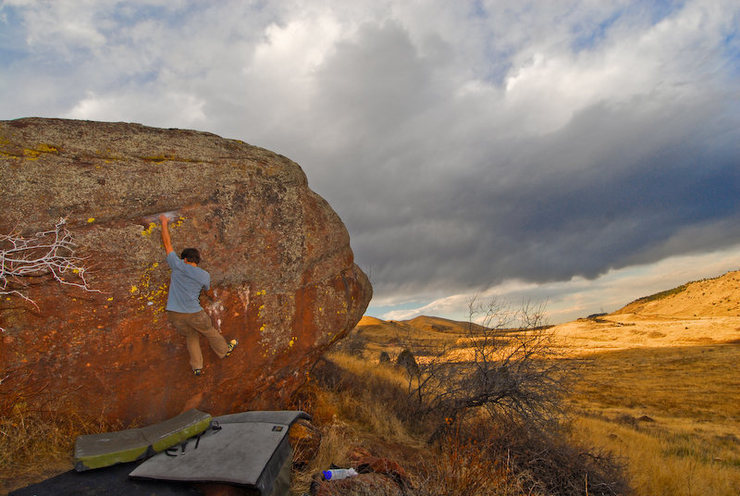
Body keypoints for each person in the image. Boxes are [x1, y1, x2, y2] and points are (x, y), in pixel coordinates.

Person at [159, 214, 237, 376]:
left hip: (174, 313)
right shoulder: (204, 275)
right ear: (195, 260)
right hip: (193, 312)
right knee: (209, 331)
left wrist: (164, 222)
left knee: (191, 335)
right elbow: (206, 288)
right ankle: (224, 351)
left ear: (185, 259)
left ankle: (197, 367)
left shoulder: (177, 265)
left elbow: (167, 244)